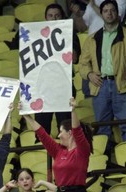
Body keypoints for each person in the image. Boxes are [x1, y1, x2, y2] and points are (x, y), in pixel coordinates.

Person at [79, 0, 126, 146]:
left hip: (124, 85)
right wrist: (89, 75)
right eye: (105, 11)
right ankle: (103, 164)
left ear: (117, 13)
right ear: (101, 14)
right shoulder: (92, 38)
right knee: (102, 128)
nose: (109, 13)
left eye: (112, 10)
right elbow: (82, 63)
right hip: (100, 86)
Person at [20, 97, 93, 192]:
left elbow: (77, 131)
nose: (58, 135)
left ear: (70, 134)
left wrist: (73, 110)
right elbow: (42, 134)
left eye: (61, 131)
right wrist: (26, 116)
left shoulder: (82, 150)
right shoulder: (58, 151)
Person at [34, 3, 81, 139]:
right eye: (50, 16)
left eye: (57, 16)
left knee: (65, 129)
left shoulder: (70, 33)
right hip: (42, 88)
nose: (54, 19)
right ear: (45, 18)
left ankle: (67, 158)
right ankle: (42, 159)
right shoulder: (37, 35)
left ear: (62, 17)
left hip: (64, 86)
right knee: (41, 131)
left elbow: (75, 57)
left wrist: (64, 37)